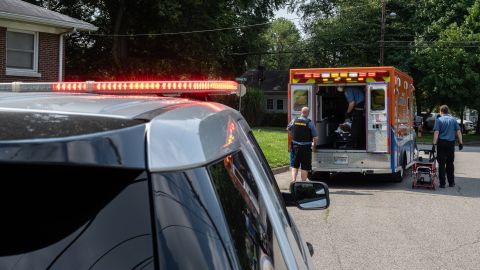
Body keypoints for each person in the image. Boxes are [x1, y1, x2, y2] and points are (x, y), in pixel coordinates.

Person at [432, 105, 463, 188]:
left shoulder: (438, 120)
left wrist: (434, 144)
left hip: (441, 143)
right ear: (447, 111)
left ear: (440, 111)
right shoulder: (453, 120)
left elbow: (436, 133)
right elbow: (458, 131)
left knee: (441, 164)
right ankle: (451, 182)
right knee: (450, 163)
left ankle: (442, 183)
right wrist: (461, 143)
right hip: (450, 144)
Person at [287, 107, 318, 182]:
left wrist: (292, 137)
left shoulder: (294, 120)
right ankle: (303, 183)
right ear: (308, 113)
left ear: (301, 112)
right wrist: (314, 147)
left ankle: (293, 181)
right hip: (306, 148)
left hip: (295, 147)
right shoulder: (309, 123)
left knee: (295, 165)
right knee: (304, 167)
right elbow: (315, 137)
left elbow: (288, 129)